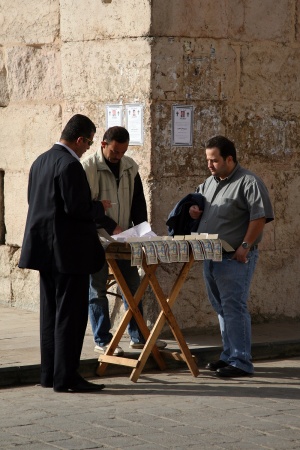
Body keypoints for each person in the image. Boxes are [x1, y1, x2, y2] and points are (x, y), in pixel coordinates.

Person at [19, 114, 111, 393]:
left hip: (45, 251)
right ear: (80, 139)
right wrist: (100, 207)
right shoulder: (70, 165)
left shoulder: (40, 161)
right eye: (90, 142)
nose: (88, 148)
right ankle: (67, 377)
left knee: (50, 314)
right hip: (68, 253)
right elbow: (76, 209)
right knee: (69, 316)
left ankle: (50, 374)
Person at [193, 135, 274, 377]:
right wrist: (194, 210)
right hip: (211, 255)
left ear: (230, 159)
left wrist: (245, 246)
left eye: (214, 160)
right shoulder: (209, 183)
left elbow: (259, 217)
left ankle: (241, 361)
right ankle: (228, 355)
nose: (209, 165)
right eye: (208, 160)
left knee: (234, 307)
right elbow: (198, 204)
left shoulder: (249, 182)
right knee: (221, 308)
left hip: (234, 258)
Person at [82, 126, 167, 355]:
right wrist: (111, 226)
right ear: (103, 145)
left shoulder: (130, 166)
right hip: (97, 235)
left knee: (132, 285)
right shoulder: (88, 167)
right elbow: (85, 206)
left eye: (122, 151)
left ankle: (138, 336)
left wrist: (141, 230)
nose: (118, 156)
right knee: (97, 287)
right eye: (114, 151)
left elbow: (138, 201)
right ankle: (103, 339)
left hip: (125, 237)